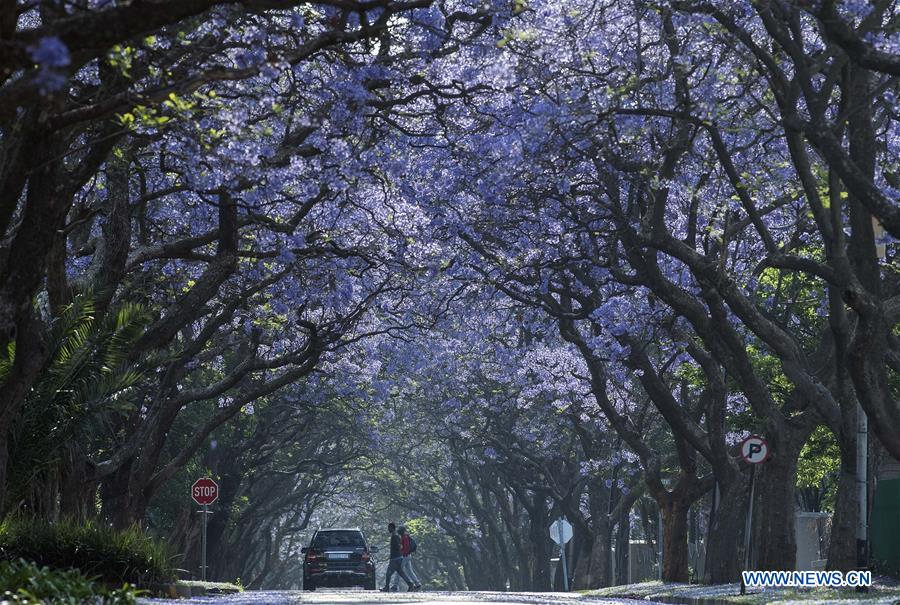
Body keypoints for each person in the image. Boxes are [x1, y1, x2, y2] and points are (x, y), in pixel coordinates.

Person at [381, 522, 412, 592]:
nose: (388, 529)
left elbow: (399, 546)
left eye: (389, 528)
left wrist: (398, 548)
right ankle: (410, 584)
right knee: (401, 573)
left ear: (392, 528)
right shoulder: (396, 535)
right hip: (398, 558)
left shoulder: (394, 536)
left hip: (394, 559)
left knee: (388, 573)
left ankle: (386, 587)